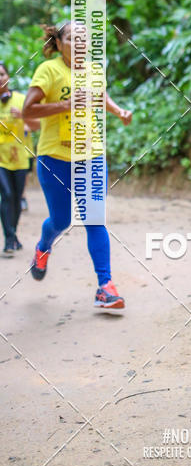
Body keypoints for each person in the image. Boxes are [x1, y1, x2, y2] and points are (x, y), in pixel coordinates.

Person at [23, 21, 133, 308]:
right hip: (54, 157)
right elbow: (27, 111)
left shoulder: (94, 70)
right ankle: (43, 248)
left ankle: (105, 286)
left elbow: (99, 96)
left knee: (94, 219)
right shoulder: (48, 70)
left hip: (91, 154)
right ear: (59, 43)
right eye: (72, 39)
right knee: (61, 220)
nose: (80, 44)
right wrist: (64, 105)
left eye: (85, 39)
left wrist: (118, 110)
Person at [0, 62, 39, 255]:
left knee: (16, 197)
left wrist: (23, 116)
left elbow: (37, 125)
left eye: (1, 74)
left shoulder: (22, 100)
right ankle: (8, 239)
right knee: (6, 195)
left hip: (21, 157)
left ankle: (12, 234)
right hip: (0, 158)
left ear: (8, 76)